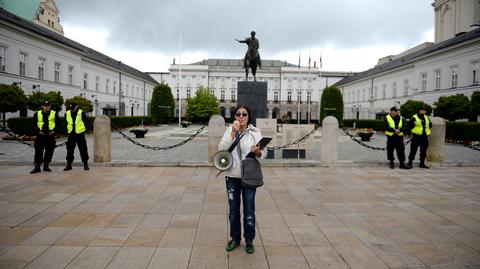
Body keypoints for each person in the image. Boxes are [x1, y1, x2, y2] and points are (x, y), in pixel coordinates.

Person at [218, 105, 267, 254]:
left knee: (249, 209)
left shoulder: (255, 132)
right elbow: (222, 149)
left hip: (249, 176)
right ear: (234, 117)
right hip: (232, 176)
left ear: (248, 116)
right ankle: (235, 238)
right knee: (233, 210)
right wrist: (233, 132)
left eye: (244, 114)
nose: (241, 117)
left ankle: (250, 239)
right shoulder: (229, 130)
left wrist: (258, 152)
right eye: (238, 114)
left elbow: (264, 153)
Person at [30, 100, 60, 173]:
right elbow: (33, 124)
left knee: (49, 151)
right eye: (45, 106)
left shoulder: (54, 113)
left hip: (50, 136)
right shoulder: (37, 113)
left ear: (50, 106)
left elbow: (58, 123)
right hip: (40, 136)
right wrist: (38, 131)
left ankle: (46, 166)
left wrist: (54, 131)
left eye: (48, 105)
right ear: (42, 106)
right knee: (38, 151)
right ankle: (37, 167)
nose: (47, 107)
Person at [64, 102, 89, 171]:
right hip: (71, 134)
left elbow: (86, 122)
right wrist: (67, 130)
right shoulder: (67, 113)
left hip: (80, 134)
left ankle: (85, 164)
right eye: (71, 108)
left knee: (83, 149)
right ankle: (69, 165)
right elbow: (65, 123)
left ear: (77, 106)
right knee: (69, 150)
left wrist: (84, 131)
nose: (72, 109)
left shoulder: (81, 112)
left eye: (73, 108)